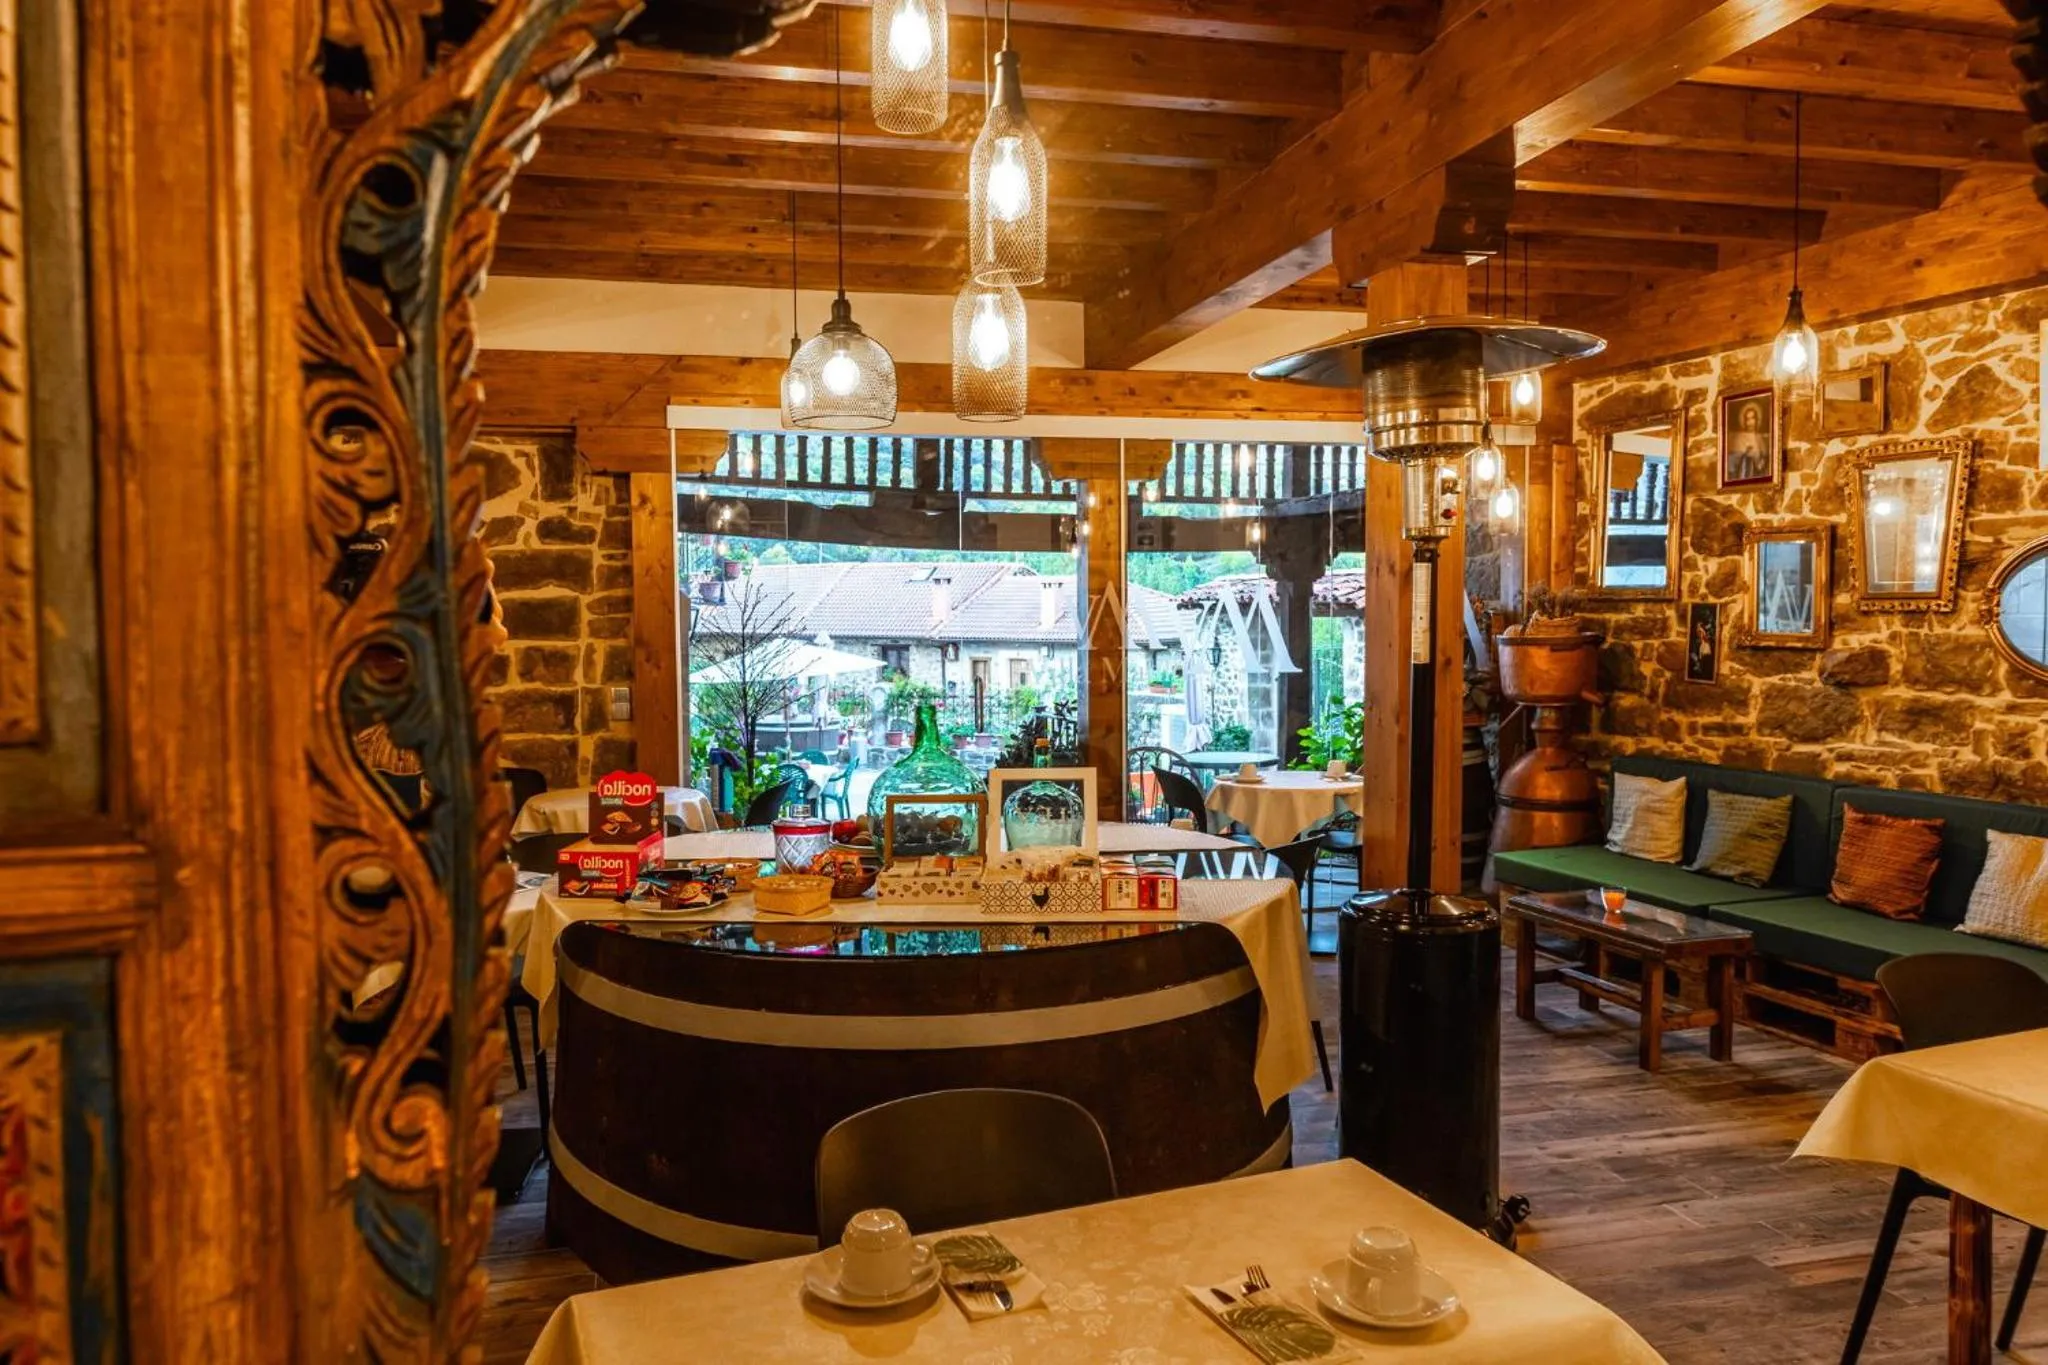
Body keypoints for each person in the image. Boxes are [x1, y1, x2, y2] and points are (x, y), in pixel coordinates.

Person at [1726, 401, 1769, 483]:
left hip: (1758, 477)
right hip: (1744, 472)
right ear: (1744, 421)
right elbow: (1731, 463)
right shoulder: (1739, 437)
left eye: (1752, 418)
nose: (1750, 423)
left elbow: (1764, 461)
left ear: (1757, 420)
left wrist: (1757, 459)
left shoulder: (1761, 438)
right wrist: (1745, 453)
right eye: (1747, 419)